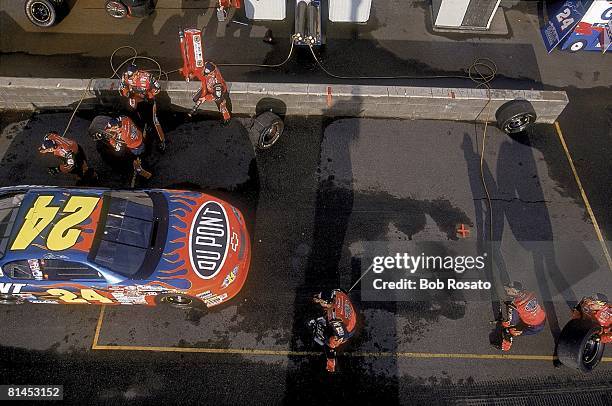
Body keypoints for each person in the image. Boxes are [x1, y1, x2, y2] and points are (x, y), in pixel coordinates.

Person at [119, 63, 166, 151]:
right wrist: (127, 93)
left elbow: (158, 88)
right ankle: (139, 133)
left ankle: (161, 141)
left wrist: (148, 95)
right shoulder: (125, 76)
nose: (130, 78)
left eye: (132, 76)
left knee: (154, 121)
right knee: (134, 117)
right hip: (135, 100)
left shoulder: (148, 77)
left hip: (148, 101)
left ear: (137, 73)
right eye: (129, 76)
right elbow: (122, 88)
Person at [309, 289, 357, 373]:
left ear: (327, 303)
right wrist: (318, 298)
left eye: (321, 301)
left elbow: (342, 336)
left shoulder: (335, 319)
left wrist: (331, 341)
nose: (319, 302)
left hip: (348, 329)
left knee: (328, 342)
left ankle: (331, 365)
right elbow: (342, 291)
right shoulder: (337, 292)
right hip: (350, 316)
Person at [500, 282, 547, 351]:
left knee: (508, 331)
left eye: (508, 291)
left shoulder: (514, 305)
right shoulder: (529, 292)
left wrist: (503, 323)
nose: (506, 291)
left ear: (514, 292)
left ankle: (506, 345)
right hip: (542, 317)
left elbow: (512, 322)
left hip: (534, 327)